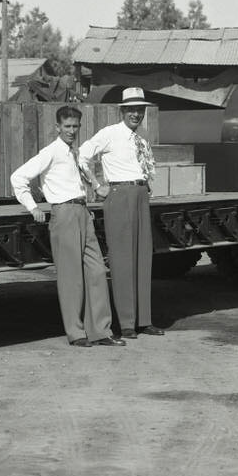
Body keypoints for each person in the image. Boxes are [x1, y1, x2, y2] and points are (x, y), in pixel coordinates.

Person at [10, 106, 124, 348]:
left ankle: (101, 331)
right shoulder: (50, 152)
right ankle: (76, 332)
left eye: (76, 126)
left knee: (96, 271)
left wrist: (96, 186)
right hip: (63, 213)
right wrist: (33, 207)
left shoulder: (75, 153)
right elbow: (18, 177)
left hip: (83, 212)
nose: (72, 131)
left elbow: (82, 177)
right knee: (71, 277)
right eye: (67, 126)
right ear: (58, 127)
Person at [78, 87, 162, 338]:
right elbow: (82, 156)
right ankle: (126, 323)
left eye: (140, 109)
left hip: (140, 195)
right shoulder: (110, 134)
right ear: (122, 110)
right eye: (131, 109)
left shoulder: (142, 138)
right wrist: (96, 185)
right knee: (123, 260)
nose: (136, 114)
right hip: (119, 195)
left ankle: (143, 320)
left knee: (143, 257)